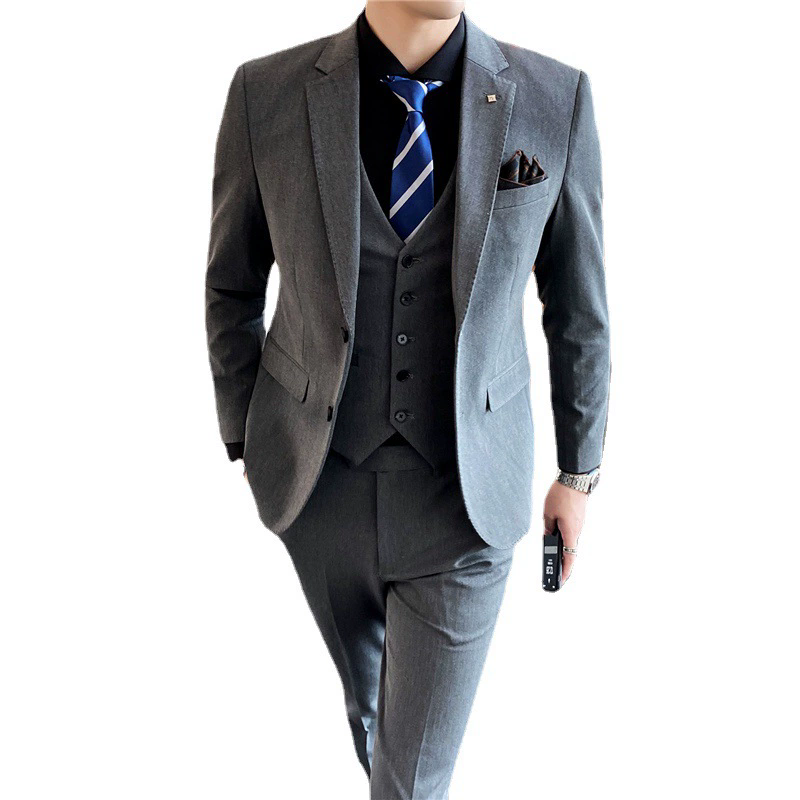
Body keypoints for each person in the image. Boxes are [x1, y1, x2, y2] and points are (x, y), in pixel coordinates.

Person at [205, 2, 610, 796]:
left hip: (464, 502)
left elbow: (579, 308)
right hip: (316, 490)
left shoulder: (554, 97)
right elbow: (231, 285)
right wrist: (249, 440)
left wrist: (578, 471)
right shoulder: (267, 93)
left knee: (413, 778)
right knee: (375, 722)